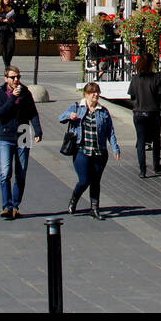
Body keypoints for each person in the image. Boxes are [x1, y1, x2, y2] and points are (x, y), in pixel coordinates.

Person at [59, 83, 121, 219]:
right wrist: (70, 115)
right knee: (84, 179)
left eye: (97, 92)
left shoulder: (103, 111)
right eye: (92, 93)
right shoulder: (77, 107)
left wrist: (115, 148)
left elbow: (110, 131)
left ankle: (94, 208)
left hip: (99, 152)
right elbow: (61, 118)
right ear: (86, 94)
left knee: (95, 181)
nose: (95, 95)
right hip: (82, 150)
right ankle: (74, 199)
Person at [0, 68, 43, 219]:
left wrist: (38, 131)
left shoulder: (25, 92)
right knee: (5, 172)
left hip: (23, 132)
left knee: (21, 173)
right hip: (6, 134)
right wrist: (12, 99)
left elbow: (32, 112)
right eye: (13, 77)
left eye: (18, 77)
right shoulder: (0, 92)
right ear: (6, 78)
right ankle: (6, 206)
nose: (16, 80)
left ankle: (15, 205)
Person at [128, 51, 161, 178]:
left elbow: (132, 96)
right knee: (156, 139)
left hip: (139, 113)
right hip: (153, 112)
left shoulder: (135, 79)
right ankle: (156, 165)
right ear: (151, 64)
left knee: (140, 141)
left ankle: (142, 170)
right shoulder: (157, 78)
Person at [0, 0, 18, 69]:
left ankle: (8, 61)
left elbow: (15, 17)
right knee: (4, 46)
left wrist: (12, 20)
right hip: (3, 29)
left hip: (10, 29)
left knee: (12, 46)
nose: (7, 0)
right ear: (2, 0)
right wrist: (3, 20)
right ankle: (6, 64)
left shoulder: (11, 8)